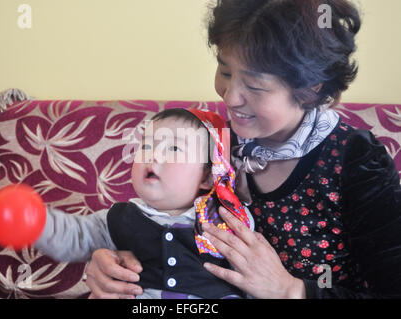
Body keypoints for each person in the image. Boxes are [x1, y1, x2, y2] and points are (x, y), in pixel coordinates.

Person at [85, 0, 401, 299]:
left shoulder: (355, 160)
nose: (230, 96)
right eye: (225, 72)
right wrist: (115, 261)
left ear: (310, 88)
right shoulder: (216, 141)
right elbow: (164, 224)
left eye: (254, 86)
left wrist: (291, 290)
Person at [34, 108, 255, 299]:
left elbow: (252, 279)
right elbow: (74, 236)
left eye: (174, 149)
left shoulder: (228, 221)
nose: (154, 156)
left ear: (208, 176)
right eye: (146, 147)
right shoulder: (120, 217)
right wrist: (34, 221)